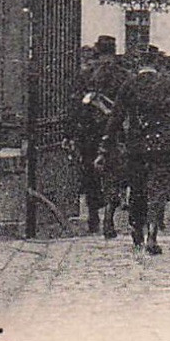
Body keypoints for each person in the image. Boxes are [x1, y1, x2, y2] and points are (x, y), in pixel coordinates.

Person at [98, 53, 170, 255]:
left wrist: (106, 145)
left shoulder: (129, 85)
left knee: (137, 189)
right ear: (156, 65)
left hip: (136, 146)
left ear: (139, 65)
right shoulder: (168, 84)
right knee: (158, 190)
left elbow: (116, 118)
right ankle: (153, 233)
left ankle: (137, 229)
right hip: (163, 145)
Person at [70, 35, 124, 236]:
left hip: (90, 131)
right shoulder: (123, 74)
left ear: (97, 51)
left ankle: (94, 215)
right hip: (115, 131)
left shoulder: (86, 75)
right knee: (114, 173)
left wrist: (73, 131)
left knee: (90, 173)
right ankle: (109, 216)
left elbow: (76, 105)